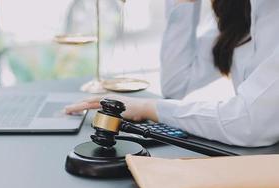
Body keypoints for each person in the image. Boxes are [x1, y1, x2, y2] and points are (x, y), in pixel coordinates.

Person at [65, 0, 279, 147]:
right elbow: (177, 83)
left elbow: (251, 123)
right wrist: (183, 4)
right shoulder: (245, 10)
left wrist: (148, 108)